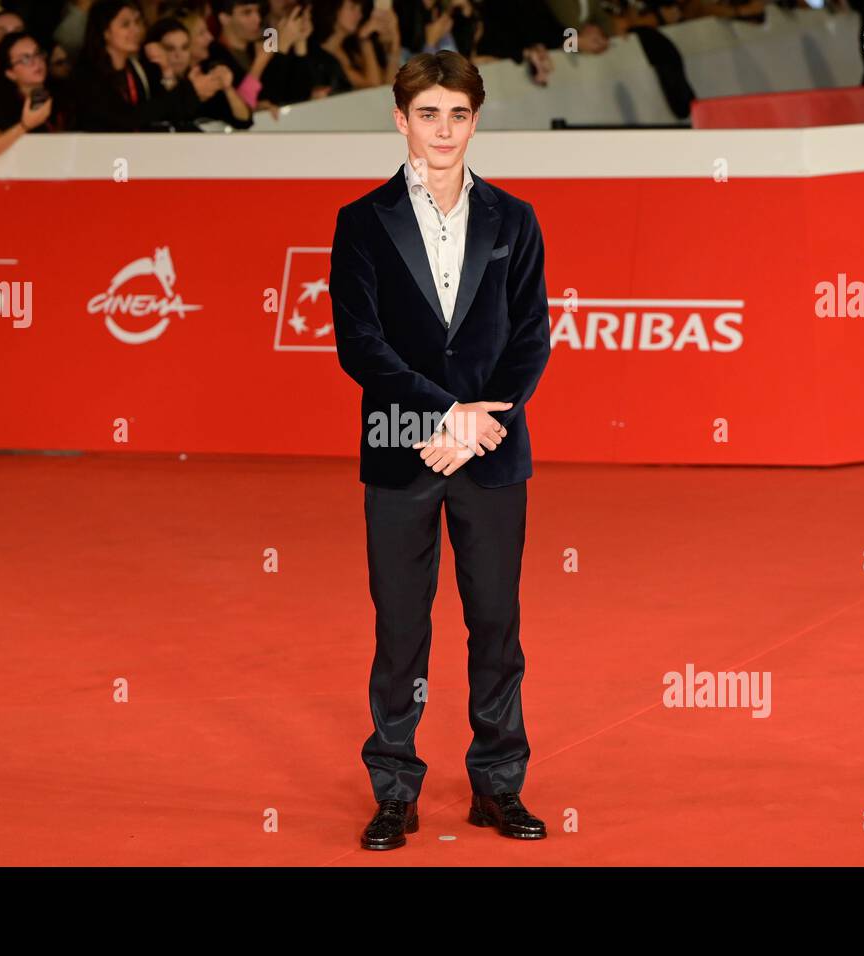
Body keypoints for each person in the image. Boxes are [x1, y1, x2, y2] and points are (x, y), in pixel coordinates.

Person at [329, 50, 552, 851]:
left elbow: (532, 336)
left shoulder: (515, 219)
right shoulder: (361, 221)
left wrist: (482, 422)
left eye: (458, 113)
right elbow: (361, 345)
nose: (443, 129)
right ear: (399, 119)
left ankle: (498, 785)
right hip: (401, 451)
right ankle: (395, 790)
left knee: (496, 624)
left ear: (476, 119)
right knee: (400, 629)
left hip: (492, 451)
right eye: (428, 113)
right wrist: (444, 416)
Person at [69, 0, 218, 130]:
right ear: (105, 32)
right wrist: (189, 90)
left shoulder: (137, 68)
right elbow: (126, 118)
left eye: (137, 22)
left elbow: (166, 114)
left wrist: (166, 71)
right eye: (126, 24)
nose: (136, 30)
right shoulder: (88, 74)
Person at [0, 30, 69, 159]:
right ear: (10, 73)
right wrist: (24, 126)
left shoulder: (62, 92)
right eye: (25, 59)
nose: (36, 62)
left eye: (37, 53)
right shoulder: (4, 104)